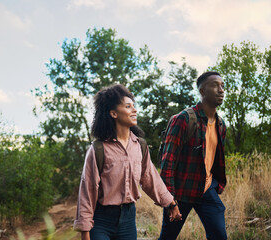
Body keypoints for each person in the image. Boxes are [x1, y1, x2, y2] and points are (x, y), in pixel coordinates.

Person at [74, 84, 181, 240]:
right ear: (113, 113)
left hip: (128, 221)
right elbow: (87, 190)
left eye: (134, 106)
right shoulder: (98, 149)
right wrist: (85, 231)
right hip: (101, 221)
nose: (134, 110)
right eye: (128, 106)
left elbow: (150, 179)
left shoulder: (140, 146)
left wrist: (171, 203)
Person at [158, 71, 227, 240]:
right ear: (202, 91)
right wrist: (170, 200)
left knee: (220, 236)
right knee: (168, 237)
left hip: (207, 189)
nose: (221, 90)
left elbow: (215, 160)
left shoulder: (221, 125)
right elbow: (168, 161)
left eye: (223, 86)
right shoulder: (184, 119)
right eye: (215, 85)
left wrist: (217, 185)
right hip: (182, 192)